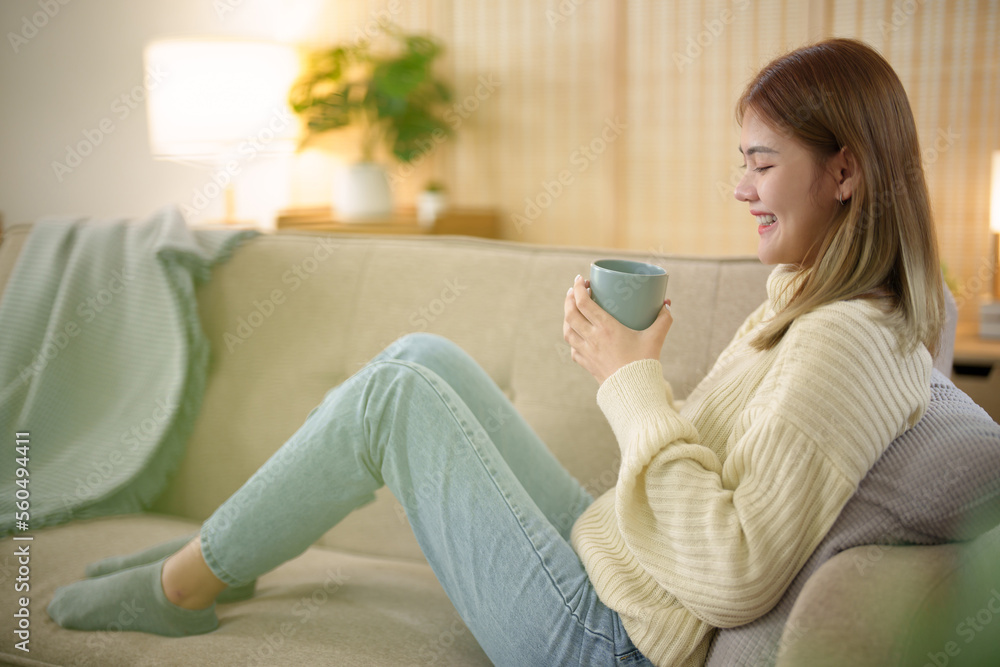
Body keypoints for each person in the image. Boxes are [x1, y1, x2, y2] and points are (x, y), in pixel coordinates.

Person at [48, 37, 943, 667]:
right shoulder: (814, 300)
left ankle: (180, 587)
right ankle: (208, 558)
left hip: (606, 640)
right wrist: (640, 372)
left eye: (761, 162)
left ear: (845, 171)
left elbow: (738, 570)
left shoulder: (845, 343)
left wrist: (630, 380)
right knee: (422, 355)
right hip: (616, 564)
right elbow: (724, 479)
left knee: (396, 396)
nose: (739, 186)